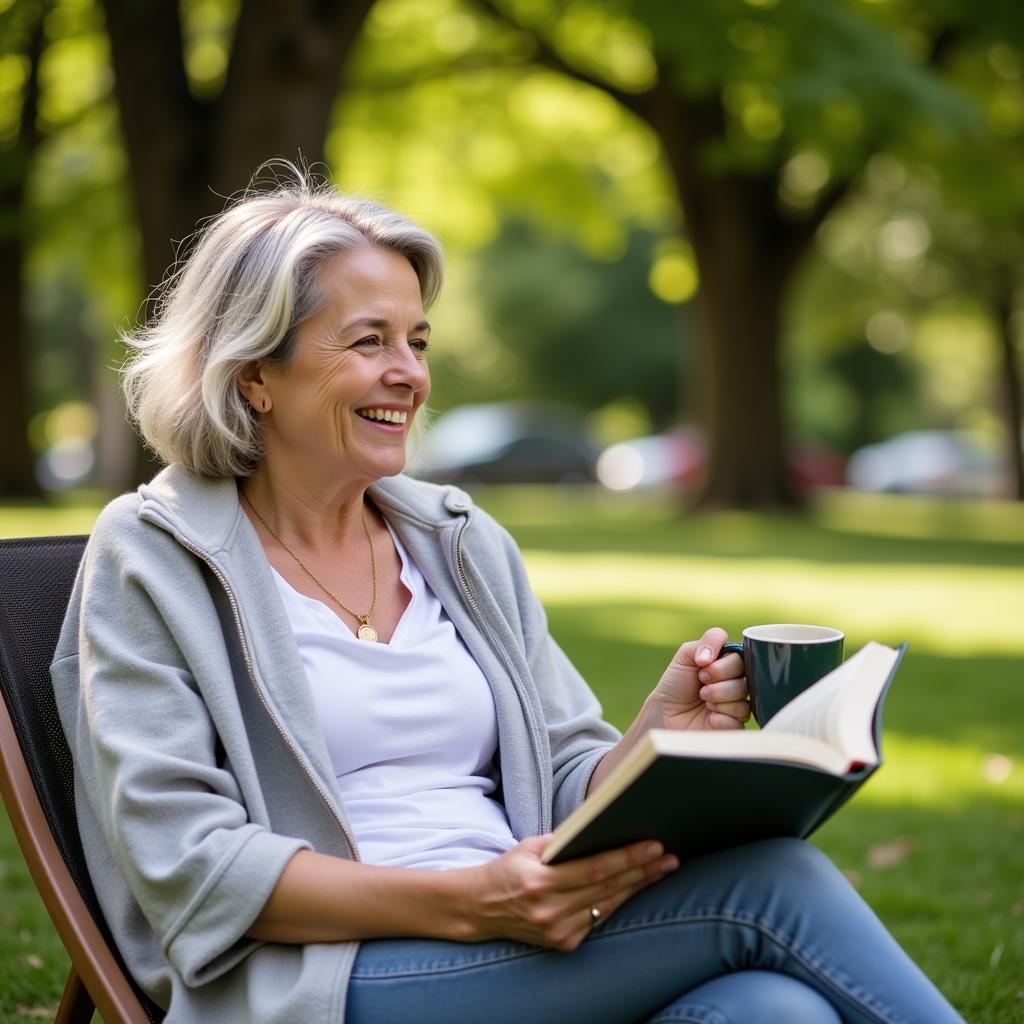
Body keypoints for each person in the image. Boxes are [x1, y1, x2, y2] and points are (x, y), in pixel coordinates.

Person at [52, 166, 966, 1024]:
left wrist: (656, 738)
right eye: (368, 341)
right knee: (774, 883)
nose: (409, 372)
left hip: (515, 933)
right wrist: (470, 903)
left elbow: (563, 784)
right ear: (254, 373)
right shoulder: (154, 555)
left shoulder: (456, 542)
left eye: (416, 341)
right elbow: (193, 867)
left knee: (777, 1013)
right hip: (324, 976)